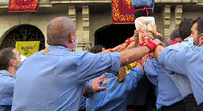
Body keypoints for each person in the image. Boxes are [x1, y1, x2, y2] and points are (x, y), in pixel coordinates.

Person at [12, 16, 160, 111]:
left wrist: (88, 89)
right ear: (71, 37)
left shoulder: (29, 61)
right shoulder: (75, 61)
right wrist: (151, 44)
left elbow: (55, 87)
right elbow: (122, 58)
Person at [144, 38, 185, 111]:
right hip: (185, 100)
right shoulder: (179, 56)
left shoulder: (154, 63)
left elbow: (149, 72)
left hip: (168, 105)